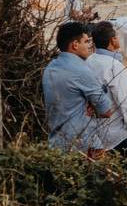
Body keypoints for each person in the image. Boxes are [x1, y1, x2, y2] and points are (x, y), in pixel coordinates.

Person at [43, 22, 112, 152]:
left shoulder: (50, 68)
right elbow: (106, 111)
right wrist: (93, 106)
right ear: (75, 44)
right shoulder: (81, 71)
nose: (89, 46)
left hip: (56, 142)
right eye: (86, 42)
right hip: (82, 144)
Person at [86, 21, 127, 155]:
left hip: (91, 130)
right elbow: (125, 101)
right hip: (115, 134)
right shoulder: (114, 66)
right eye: (117, 36)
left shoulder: (88, 61)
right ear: (113, 40)